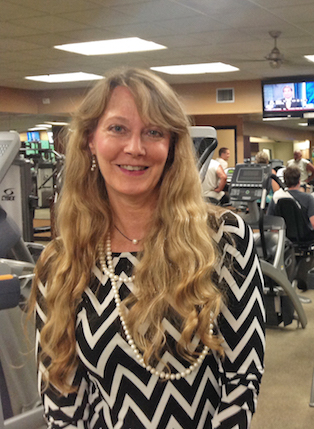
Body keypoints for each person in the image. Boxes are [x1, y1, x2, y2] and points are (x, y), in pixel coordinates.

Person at [28, 67, 265, 429]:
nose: (135, 148)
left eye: (153, 132)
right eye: (118, 128)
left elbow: (243, 377)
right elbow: (61, 397)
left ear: (170, 146)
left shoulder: (224, 238)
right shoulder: (61, 261)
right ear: (91, 139)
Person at [267, 166, 314, 242]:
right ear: (299, 181)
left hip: (284, 238)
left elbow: (270, 222)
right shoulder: (308, 198)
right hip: (306, 238)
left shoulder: (276, 197)